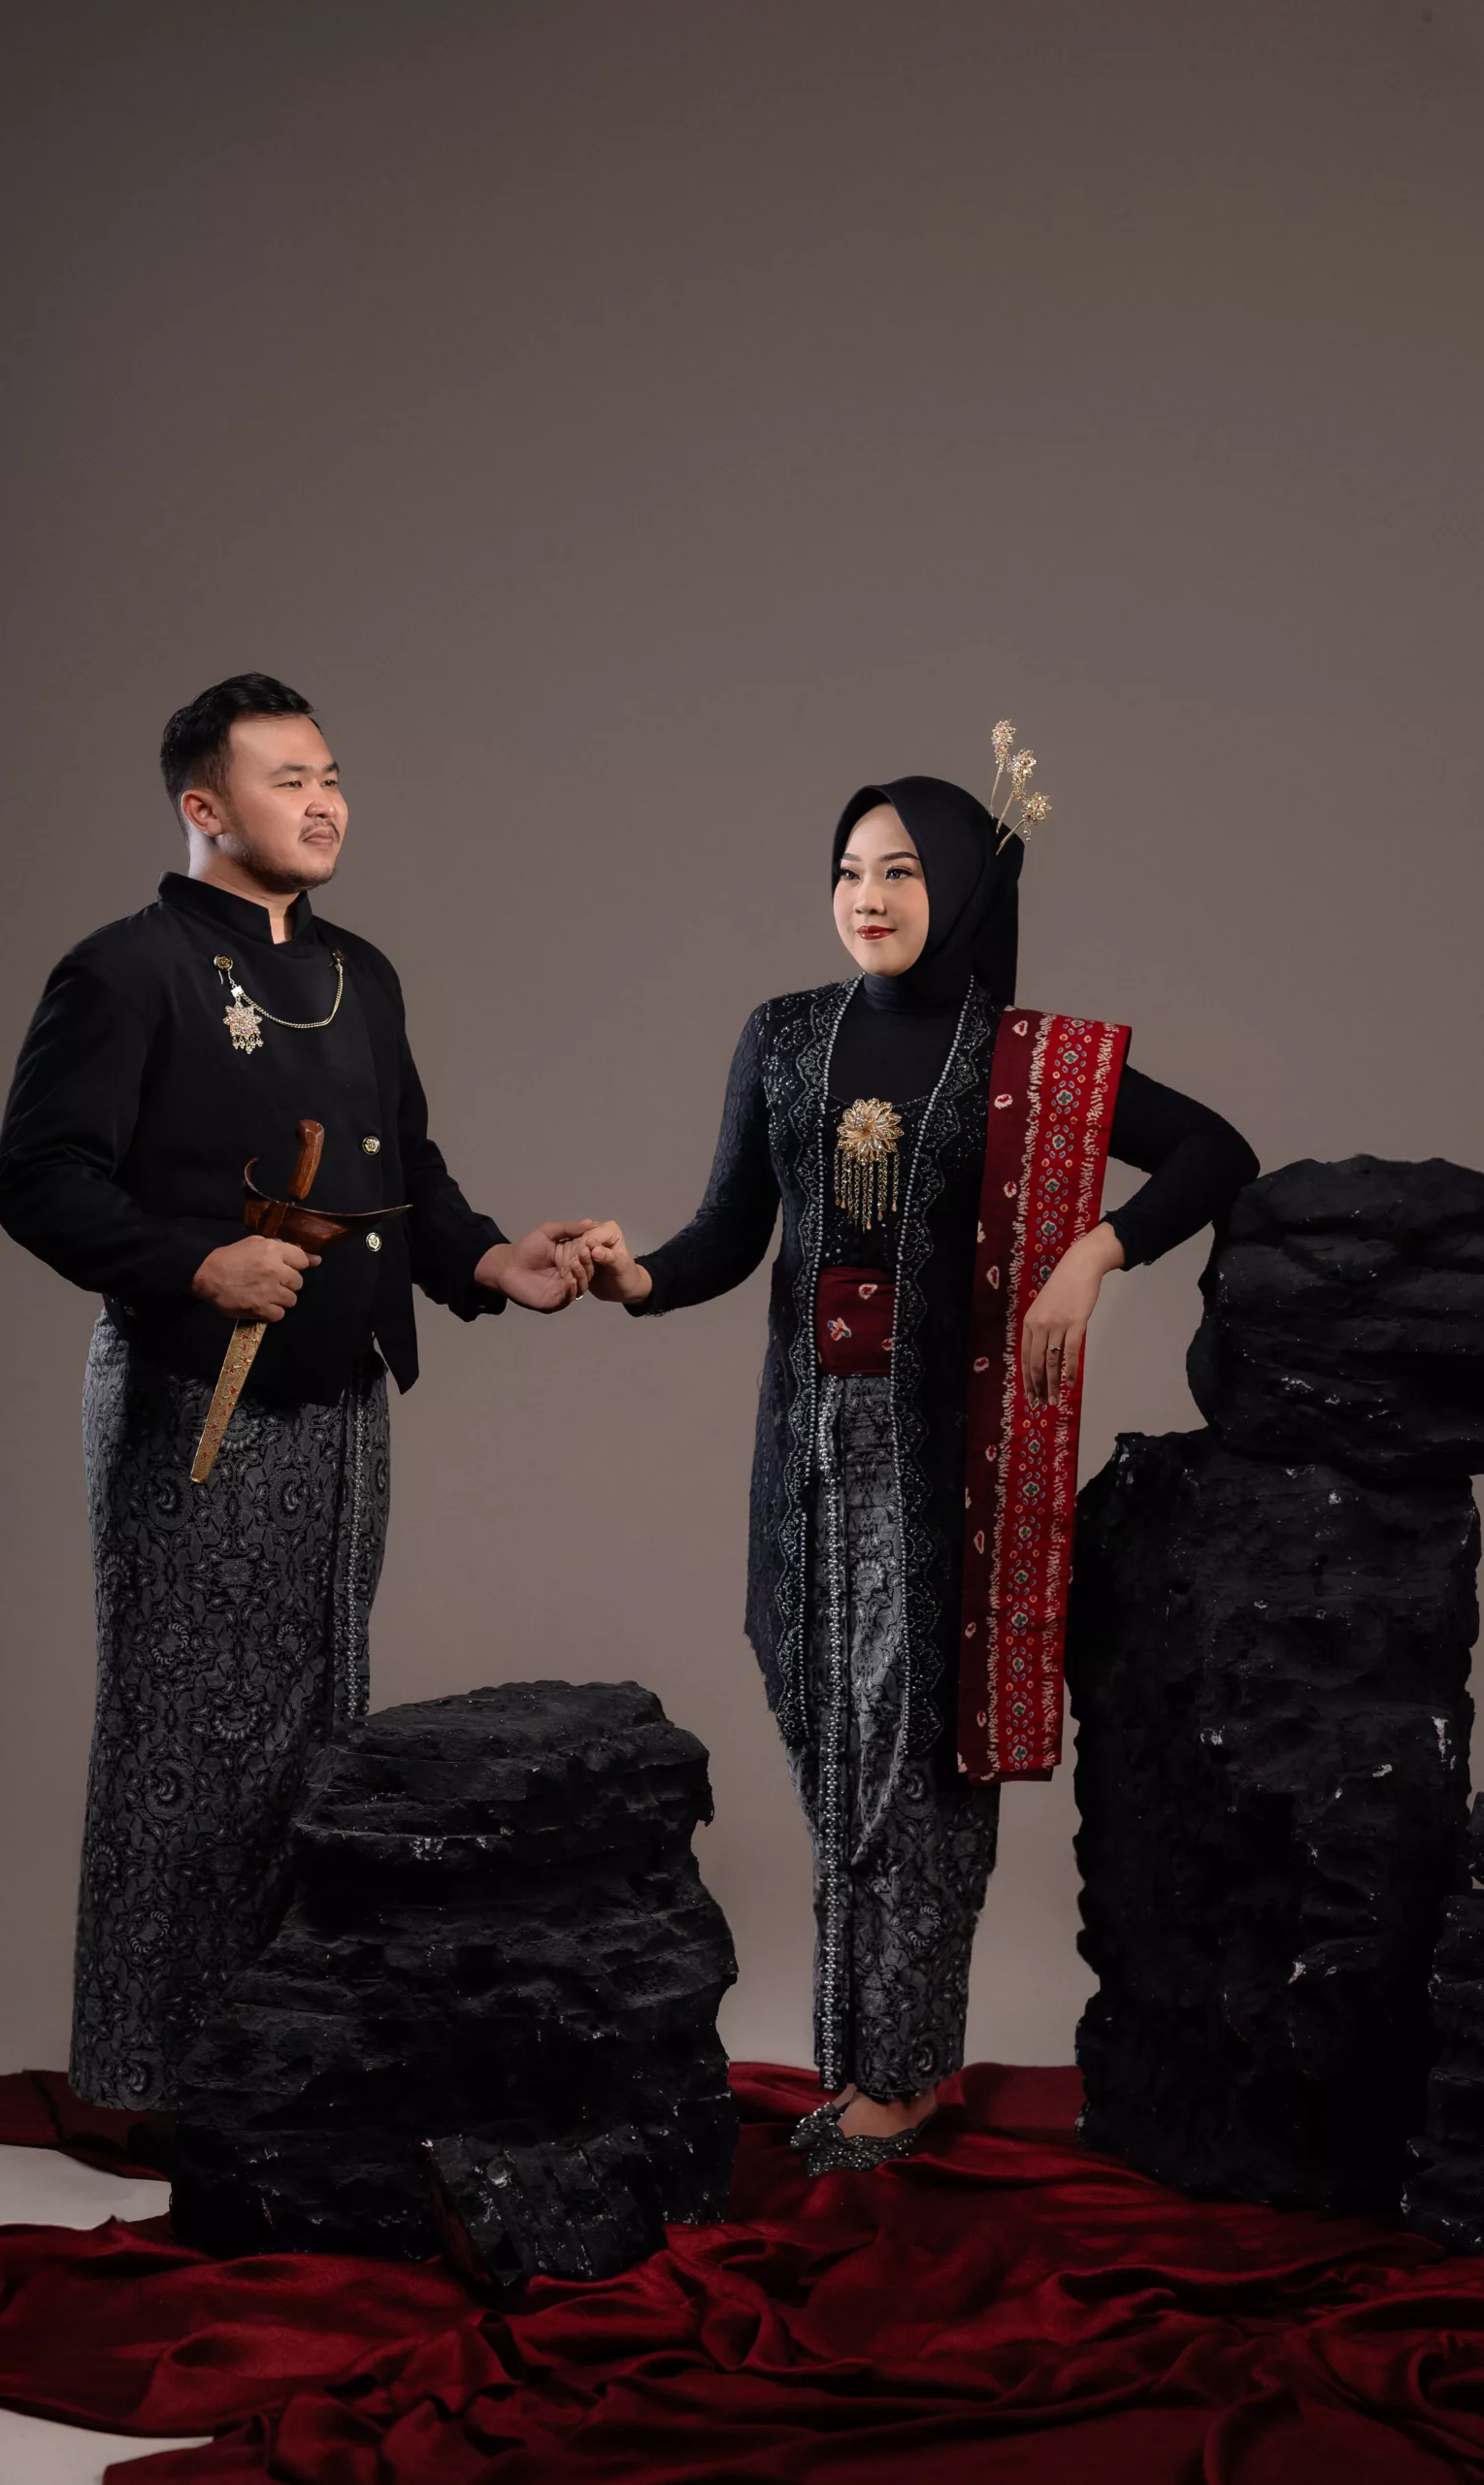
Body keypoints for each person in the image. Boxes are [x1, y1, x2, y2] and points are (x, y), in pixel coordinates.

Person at [575, 773, 1257, 2174]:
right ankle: (887, 2054)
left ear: (964, 887)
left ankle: (892, 2077)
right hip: (804, 1456)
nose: (865, 899)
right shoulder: (782, 1036)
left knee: (916, 1761)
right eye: (846, 870)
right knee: (830, 1742)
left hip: (942, 1468)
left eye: (898, 871)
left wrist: (1094, 1252)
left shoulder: (1023, 1056)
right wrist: (633, 1276)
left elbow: (1214, 1152)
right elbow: (726, 1235)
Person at [0, 673, 594, 2110]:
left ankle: (275, 2073)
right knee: (183, 1731)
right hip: (196, 1400)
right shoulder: (125, 969)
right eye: (287, 780)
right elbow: (40, 1181)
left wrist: (485, 1261)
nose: (323, 804)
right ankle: (147, 2085)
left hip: (342, 1401)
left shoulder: (358, 972)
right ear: (205, 807)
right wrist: (196, 1264)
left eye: (330, 776)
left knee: (317, 1724)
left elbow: (408, 1171)